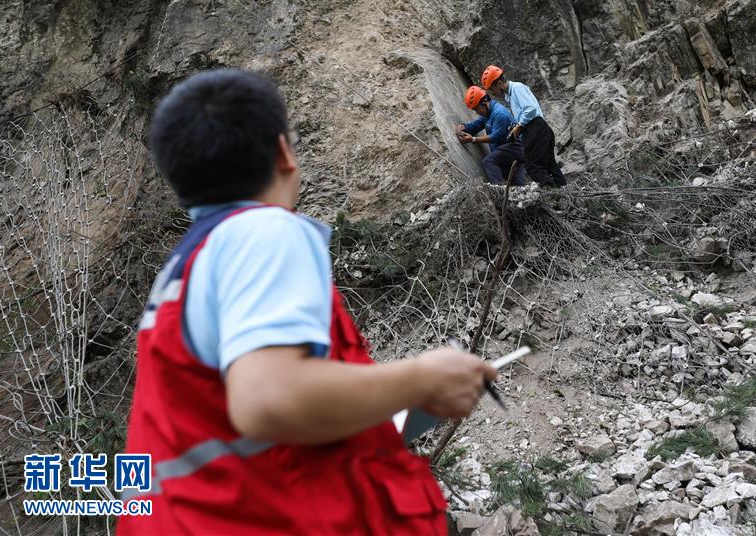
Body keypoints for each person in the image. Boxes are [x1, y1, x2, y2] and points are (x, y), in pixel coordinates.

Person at [116, 68, 497, 535]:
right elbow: (267, 400)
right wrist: (420, 379)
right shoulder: (263, 231)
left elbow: (234, 428)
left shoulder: (184, 271)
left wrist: (387, 412)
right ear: (283, 153)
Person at [480, 65, 567, 187]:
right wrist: (516, 126)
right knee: (549, 164)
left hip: (535, 129)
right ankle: (564, 191)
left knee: (533, 166)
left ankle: (551, 193)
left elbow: (530, 109)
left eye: (491, 89)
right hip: (537, 129)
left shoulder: (517, 89)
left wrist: (518, 127)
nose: (492, 93)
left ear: (499, 83)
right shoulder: (511, 95)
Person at [455, 85, 525, 185]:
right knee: (517, 186)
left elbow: (496, 137)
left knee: (489, 161)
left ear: (484, 102)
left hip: (516, 148)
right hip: (506, 152)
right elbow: (477, 125)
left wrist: (473, 139)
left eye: (477, 108)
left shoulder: (499, 114)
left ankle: (499, 192)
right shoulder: (487, 114)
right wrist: (463, 128)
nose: (477, 112)